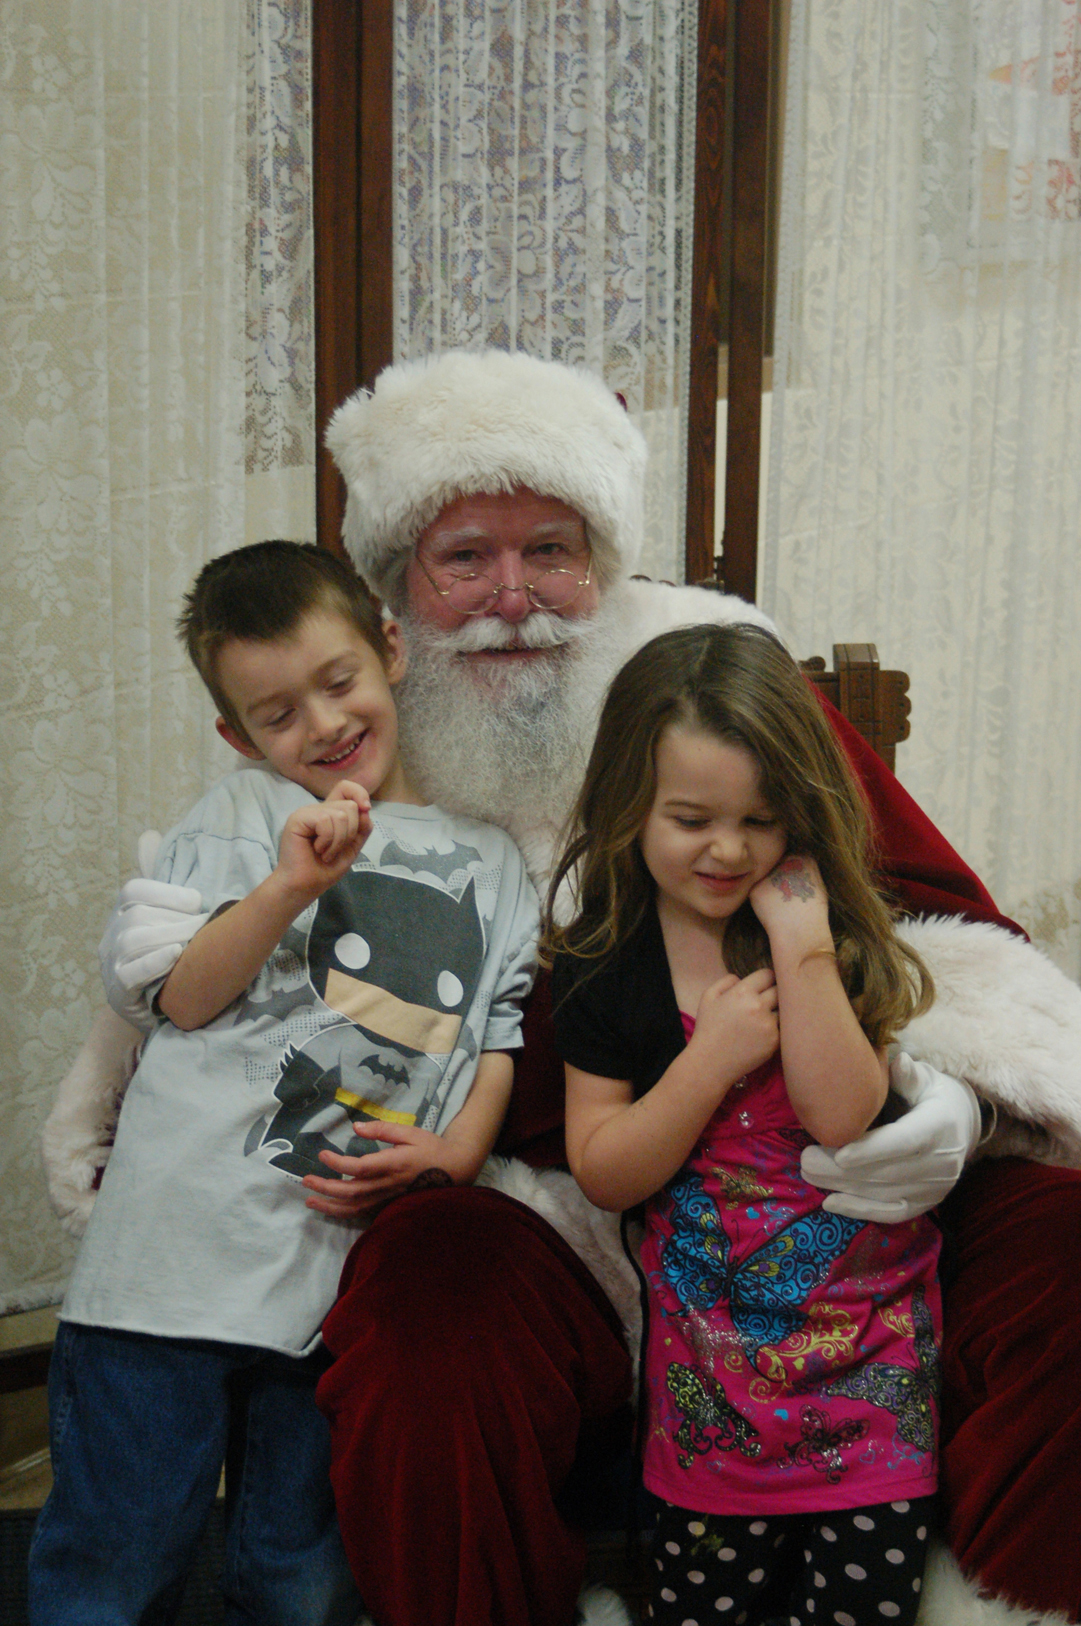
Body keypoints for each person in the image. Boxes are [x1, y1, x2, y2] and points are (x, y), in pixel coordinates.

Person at [45, 352, 1081, 1626]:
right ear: (394, 593)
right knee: (431, 1312)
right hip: (540, 1190)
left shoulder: (717, 672)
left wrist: (956, 1102)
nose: (513, 598)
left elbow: (943, 916)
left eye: (551, 547)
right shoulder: (350, 720)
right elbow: (198, 936)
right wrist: (105, 1082)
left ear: (606, 547)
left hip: (819, 1176)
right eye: (462, 558)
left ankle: (1013, 1597)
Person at [31, 540, 538, 1626]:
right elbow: (181, 998)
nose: (321, 725)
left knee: (302, 1582)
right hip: (166, 1268)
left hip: (328, 1289)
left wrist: (457, 1154)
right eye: (277, 714)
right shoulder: (242, 813)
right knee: (113, 1569)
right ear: (237, 734)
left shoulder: (490, 858)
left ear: (389, 649)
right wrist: (288, 886)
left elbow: (497, 1030)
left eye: (338, 681)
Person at [549, 623, 942, 1626]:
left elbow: (841, 1115)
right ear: (627, 806)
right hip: (712, 1400)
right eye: (690, 818)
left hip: (871, 1382)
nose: (726, 851)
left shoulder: (820, 937)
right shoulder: (607, 962)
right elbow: (603, 1169)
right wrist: (707, 1061)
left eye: (760, 821)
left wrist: (804, 946)